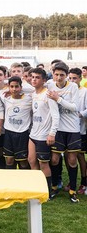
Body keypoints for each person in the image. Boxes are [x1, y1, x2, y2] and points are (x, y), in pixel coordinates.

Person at [47, 61, 81, 203]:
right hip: (58, 129)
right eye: (56, 74)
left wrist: (58, 99)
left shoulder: (73, 87)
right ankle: (55, 186)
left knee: (72, 160)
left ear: (67, 75)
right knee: (54, 159)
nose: (59, 77)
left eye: (62, 75)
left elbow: (75, 107)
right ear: (53, 74)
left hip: (72, 129)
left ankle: (73, 190)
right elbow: (33, 86)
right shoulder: (50, 85)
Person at [28, 68, 59, 199]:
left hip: (44, 135)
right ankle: (36, 188)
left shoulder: (48, 95)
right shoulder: (33, 94)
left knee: (43, 164)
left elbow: (56, 116)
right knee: (31, 160)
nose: (34, 79)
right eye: (32, 77)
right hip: (33, 134)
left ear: (44, 80)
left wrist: (52, 133)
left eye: (37, 77)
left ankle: (48, 190)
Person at [1, 76, 32, 169]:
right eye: (12, 86)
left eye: (16, 86)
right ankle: (10, 182)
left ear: (21, 87)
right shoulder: (5, 97)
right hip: (8, 133)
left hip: (22, 134)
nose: (14, 89)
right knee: (9, 160)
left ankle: (24, 182)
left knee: (23, 161)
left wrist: (23, 88)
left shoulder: (29, 99)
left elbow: (34, 89)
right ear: (8, 87)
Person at [67, 68, 87, 194]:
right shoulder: (67, 90)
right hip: (68, 128)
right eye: (70, 78)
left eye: (75, 78)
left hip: (81, 129)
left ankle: (84, 183)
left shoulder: (84, 91)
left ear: (80, 79)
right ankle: (71, 181)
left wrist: (80, 114)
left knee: (80, 155)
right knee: (69, 156)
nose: (72, 81)